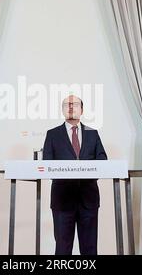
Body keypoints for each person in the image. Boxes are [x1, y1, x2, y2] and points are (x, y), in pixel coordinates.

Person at [42, 95, 107, 255]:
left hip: (88, 199)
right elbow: (46, 163)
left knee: (90, 249)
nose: (71, 107)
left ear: (82, 110)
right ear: (62, 110)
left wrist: (86, 172)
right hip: (62, 200)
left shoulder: (93, 133)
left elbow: (102, 160)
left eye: (75, 104)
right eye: (67, 105)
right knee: (63, 250)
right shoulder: (52, 134)